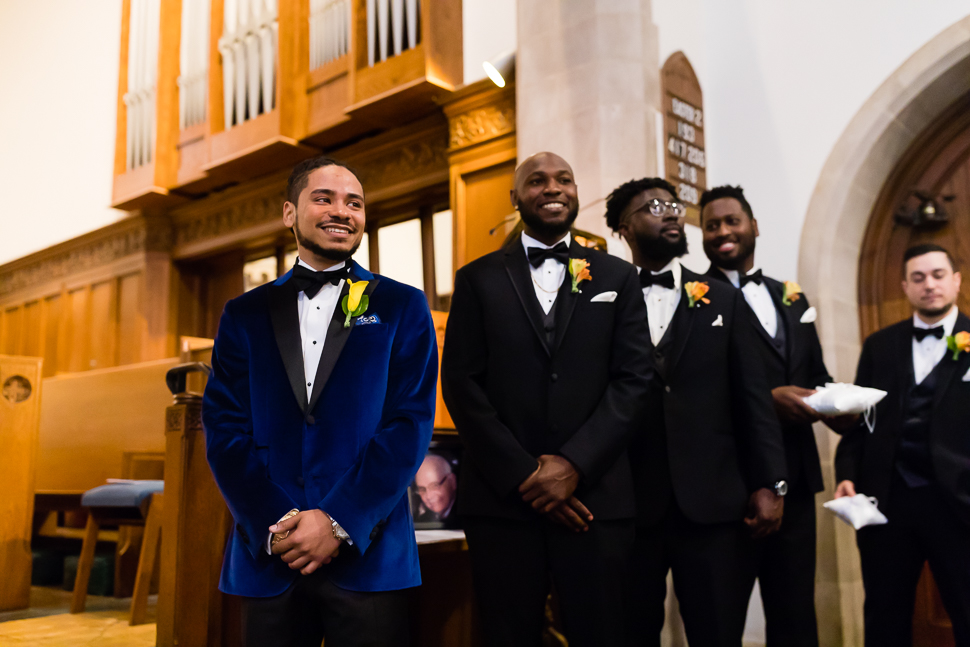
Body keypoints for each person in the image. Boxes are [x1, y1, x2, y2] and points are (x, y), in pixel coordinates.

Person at [201, 156, 438, 647]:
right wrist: (280, 523)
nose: (341, 211)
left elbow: (409, 422)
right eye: (324, 198)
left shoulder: (400, 305)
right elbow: (224, 428)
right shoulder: (244, 313)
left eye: (354, 202)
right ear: (290, 213)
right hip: (270, 551)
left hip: (368, 551)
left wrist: (338, 520)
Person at [441, 152, 652, 647]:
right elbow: (462, 385)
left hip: (594, 500)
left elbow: (635, 380)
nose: (552, 188)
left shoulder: (617, 278)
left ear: (576, 193)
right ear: (516, 198)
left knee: (601, 633)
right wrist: (525, 475)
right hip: (503, 503)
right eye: (537, 181)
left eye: (564, 180)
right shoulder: (478, 279)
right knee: (506, 634)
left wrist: (574, 466)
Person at [605, 177, 788, 647]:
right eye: (653, 207)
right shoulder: (602, 303)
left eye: (672, 204)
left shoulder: (722, 298)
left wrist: (771, 483)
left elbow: (753, 399)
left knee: (716, 634)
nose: (670, 212)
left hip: (713, 506)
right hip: (630, 506)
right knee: (630, 632)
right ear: (624, 228)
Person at [700, 185, 851, 647]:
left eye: (732, 221)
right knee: (719, 619)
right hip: (728, 486)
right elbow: (693, 393)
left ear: (754, 226)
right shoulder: (696, 299)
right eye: (711, 225)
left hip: (798, 482)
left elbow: (817, 373)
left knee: (795, 616)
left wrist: (838, 408)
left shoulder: (792, 298)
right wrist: (769, 400)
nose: (723, 231)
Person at [834, 243, 970, 647]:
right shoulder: (880, 345)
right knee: (884, 619)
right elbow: (861, 421)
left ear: (956, 281)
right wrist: (846, 475)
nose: (929, 285)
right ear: (905, 287)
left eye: (938, 275)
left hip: (959, 506)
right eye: (918, 278)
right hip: (888, 504)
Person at [413, 453, 458, 523]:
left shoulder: (468, 514)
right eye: (422, 489)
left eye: (434, 486)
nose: (428, 496)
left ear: (452, 481)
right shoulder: (422, 520)